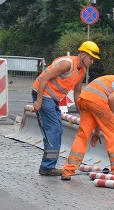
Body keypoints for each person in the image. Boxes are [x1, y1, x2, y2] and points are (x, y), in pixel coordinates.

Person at [31, 41, 99, 176]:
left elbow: (77, 94)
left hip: (52, 98)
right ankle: (47, 167)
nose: (92, 62)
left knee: (58, 130)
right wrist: (38, 101)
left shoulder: (82, 71)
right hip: (43, 94)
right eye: (91, 58)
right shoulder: (67, 63)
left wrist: (82, 114)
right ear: (83, 55)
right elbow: (44, 79)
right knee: (54, 129)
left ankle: (48, 166)